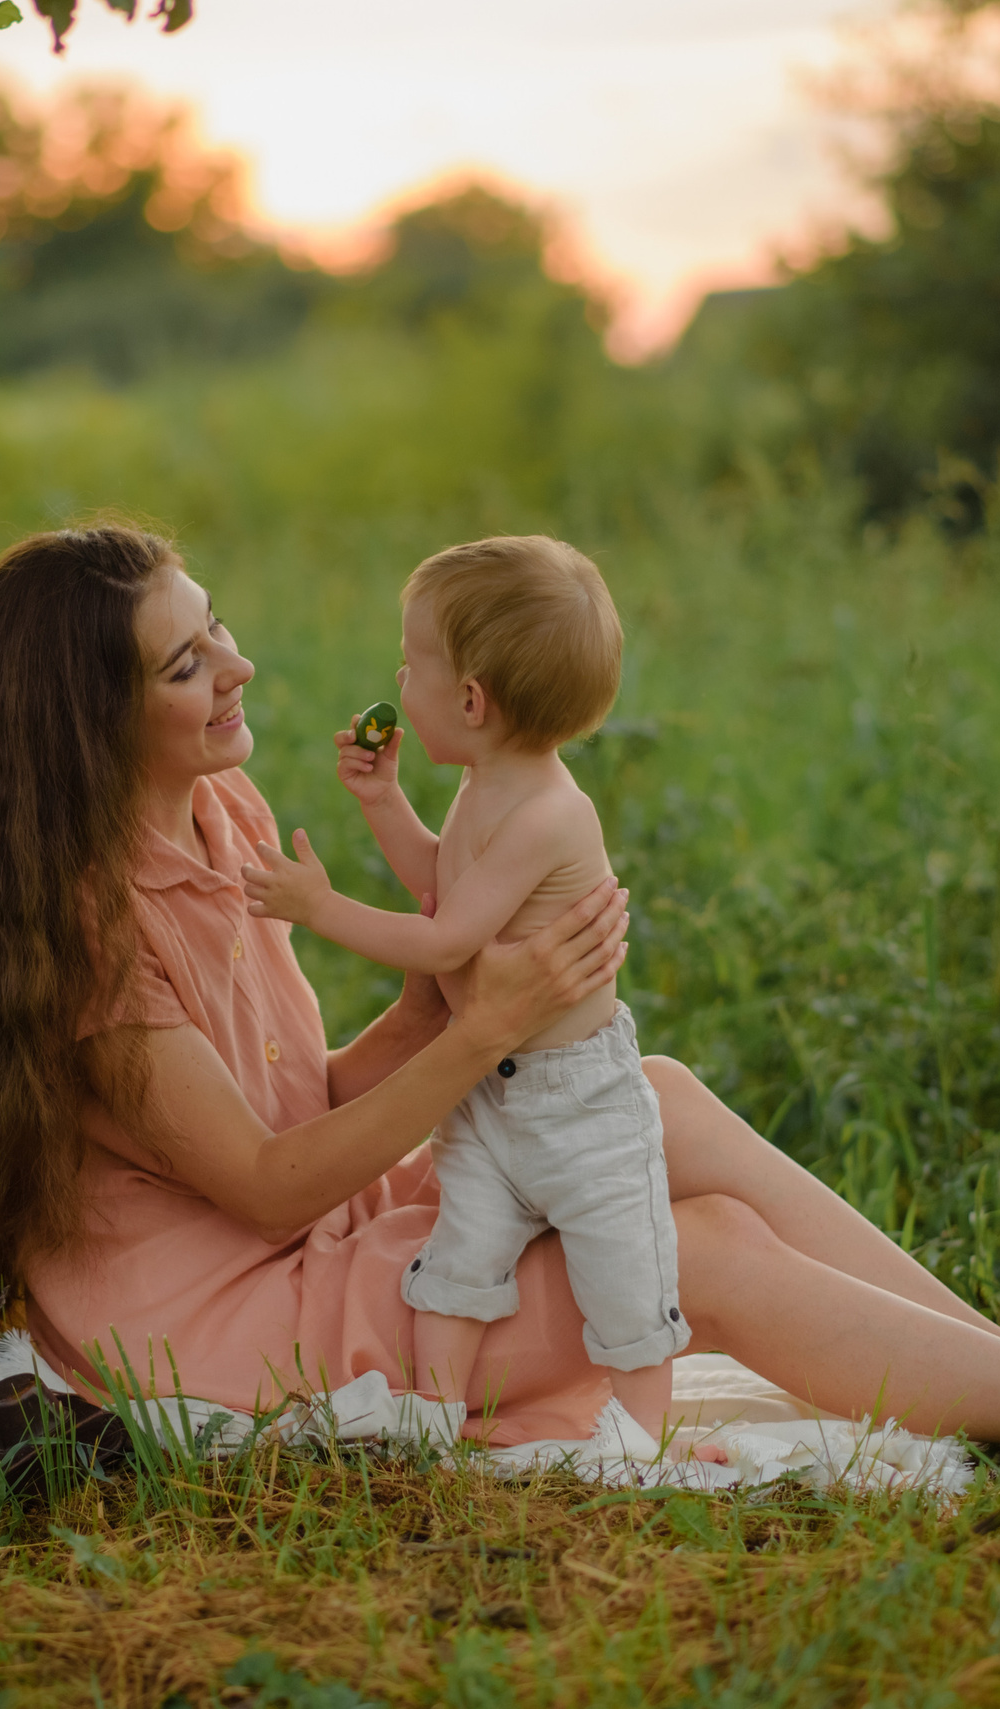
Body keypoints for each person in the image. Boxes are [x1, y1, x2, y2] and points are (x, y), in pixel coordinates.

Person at [0, 524, 1000, 1482]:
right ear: (95, 721)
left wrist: (459, 997)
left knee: (649, 1092)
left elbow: (303, 1102)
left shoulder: (211, 821)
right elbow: (271, 1181)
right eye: (187, 661)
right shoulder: (84, 941)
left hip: (292, 1232)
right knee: (684, 1246)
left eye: (215, 631)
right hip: (222, 1324)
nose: (241, 666)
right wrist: (483, 1027)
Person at [238, 536, 683, 1440]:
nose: (400, 681)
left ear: (471, 700)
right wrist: (384, 803)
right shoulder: (489, 784)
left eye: (414, 667)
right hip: (489, 1091)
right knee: (461, 1256)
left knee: (625, 1264)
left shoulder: (551, 813)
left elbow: (444, 936)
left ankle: (645, 1437)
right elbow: (444, 881)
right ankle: (429, 1416)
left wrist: (317, 906)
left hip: (578, 1100)